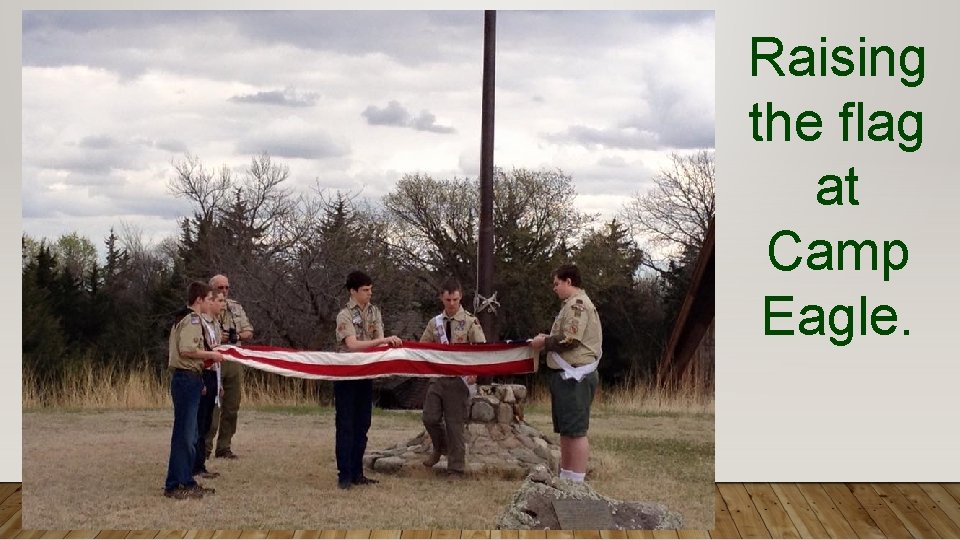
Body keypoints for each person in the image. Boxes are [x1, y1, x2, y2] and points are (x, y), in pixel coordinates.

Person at [529, 264, 602, 483]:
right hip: (566, 377)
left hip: (575, 377)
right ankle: (567, 477)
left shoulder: (577, 305)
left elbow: (571, 340)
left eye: (557, 283)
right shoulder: (569, 305)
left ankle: (576, 482)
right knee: (566, 430)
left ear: (568, 282)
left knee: (576, 430)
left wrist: (545, 342)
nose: (555, 288)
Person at [334, 270, 402, 490]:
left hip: (366, 373)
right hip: (346, 373)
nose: (369, 293)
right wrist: (382, 340)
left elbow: (379, 342)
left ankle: (358, 472)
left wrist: (384, 343)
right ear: (353, 291)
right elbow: (352, 344)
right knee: (346, 424)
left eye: (371, 289)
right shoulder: (344, 315)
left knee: (363, 423)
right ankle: (344, 475)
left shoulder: (375, 312)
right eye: (365, 290)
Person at [420, 278, 485, 476]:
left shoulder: (470, 321)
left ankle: (456, 468)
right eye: (448, 300)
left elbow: (481, 348)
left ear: (460, 297)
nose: (451, 304)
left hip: (459, 379)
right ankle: (440, 448)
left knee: (455, 424)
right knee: (429, 417)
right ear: (442, 298)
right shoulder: (435, 323)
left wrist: (475, 371)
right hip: (438, 377)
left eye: (455, 299)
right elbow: (423, 347)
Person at [164, 281, 223, 499]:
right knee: (186, 435)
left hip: (190, 378)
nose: (211, 302)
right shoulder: (192, 320)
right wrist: (211, 356)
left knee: (187, 433)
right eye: (208, 299)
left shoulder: (184, 318)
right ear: (199, 300)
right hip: (186, 378)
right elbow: (187, 349)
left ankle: (179, 480)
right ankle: (179, 483)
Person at [205, 274, 253, 460]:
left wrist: (237, 337)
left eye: (226, 287)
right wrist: (220, 337)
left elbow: (249, 331)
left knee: (232, 406)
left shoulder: (236, 307)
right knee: (213, 407)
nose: (224, 291)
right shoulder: (207, 306)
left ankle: (224, 447)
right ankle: (205, 447)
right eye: (220, 288)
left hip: (234, 358)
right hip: (214, 358)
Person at [193, 289, 225, 480]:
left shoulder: (216, 326)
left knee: (206, 423)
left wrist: (219, 382)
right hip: (203, 374)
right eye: (219, 300)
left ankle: (200, 463)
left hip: (214, 375)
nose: (222, 304)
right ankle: (195, 464)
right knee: (199, 421)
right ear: (210, 302)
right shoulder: (200, 323)